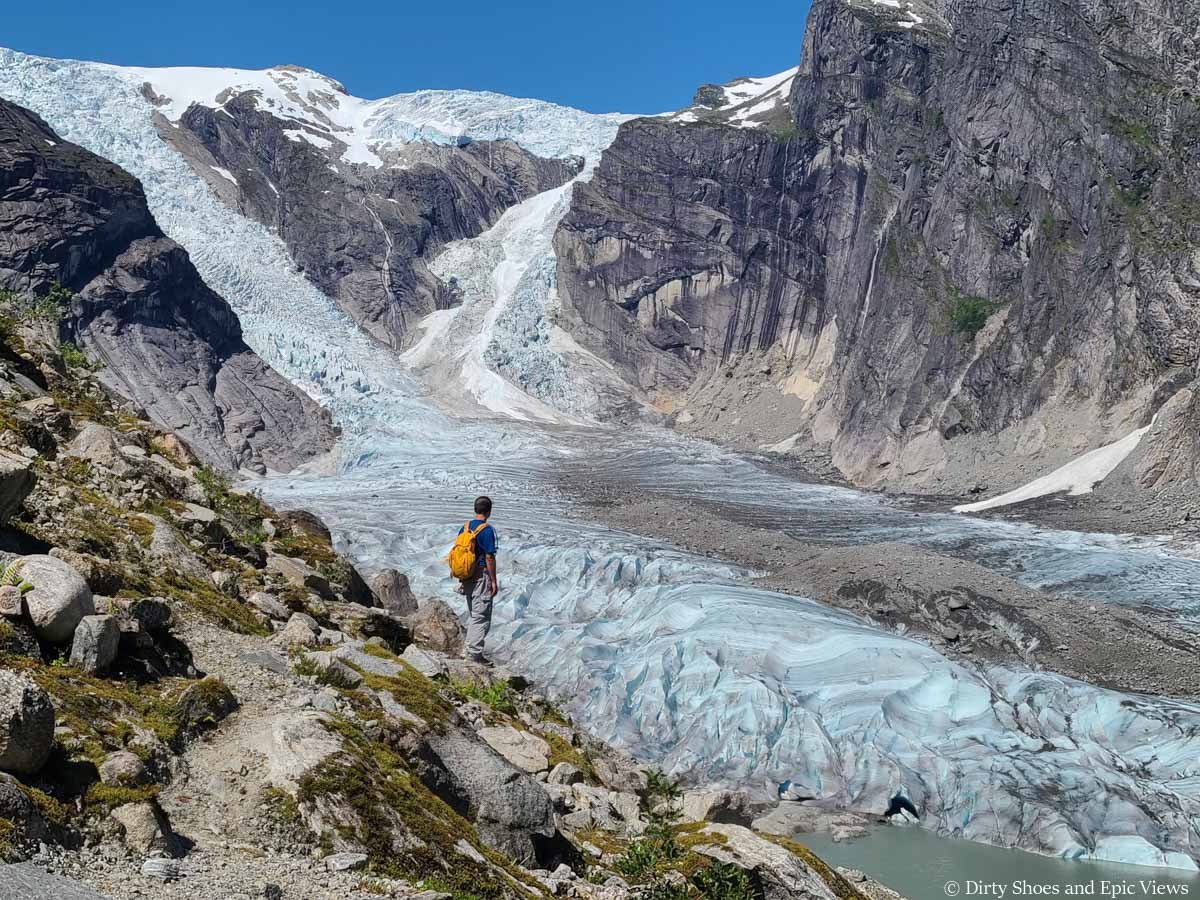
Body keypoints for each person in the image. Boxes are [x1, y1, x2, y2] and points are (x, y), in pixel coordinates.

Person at [458, 495, 499, 666]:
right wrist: (493, 580)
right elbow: (489, 557)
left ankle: (468, 650)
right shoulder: (487, 530)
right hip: (481, 576)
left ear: (475, 509)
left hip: (467, 576)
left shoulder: (465, 527)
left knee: (474, 613)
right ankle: (473, 656)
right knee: (480, 616)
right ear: (489, 511)